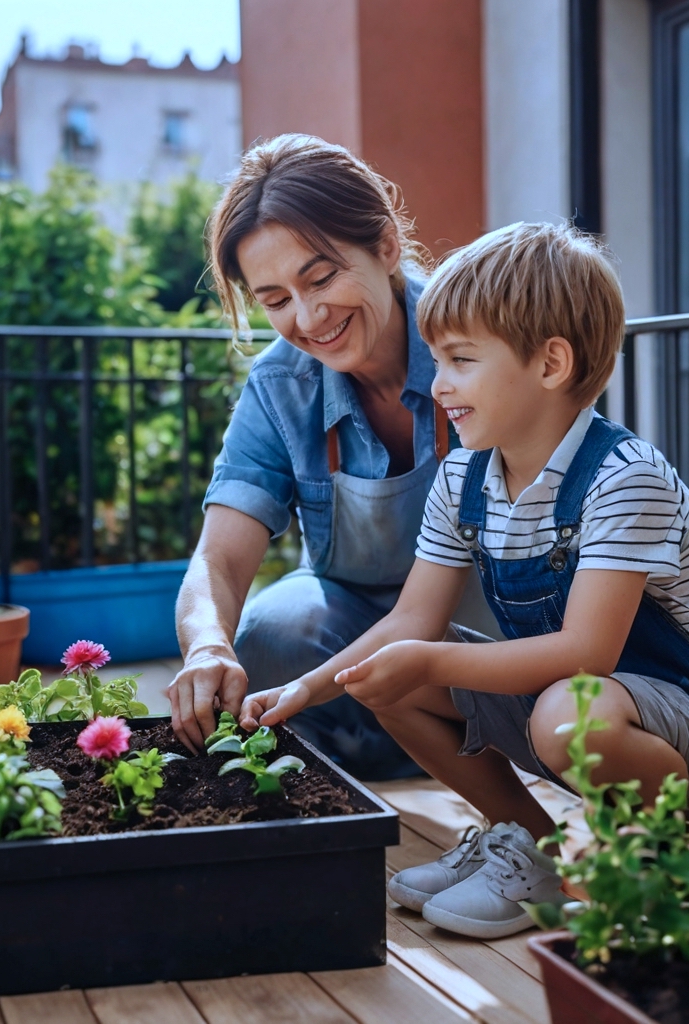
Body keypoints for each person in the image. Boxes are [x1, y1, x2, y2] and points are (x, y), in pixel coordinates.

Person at [240, 222, 689, 938]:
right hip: (575, 695)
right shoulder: (464, 478)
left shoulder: (624, 479)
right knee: (383, 671)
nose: (440, 383)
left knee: (565, 713)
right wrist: (308, 689)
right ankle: (533, 847)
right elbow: (409, 623)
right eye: (436, 359)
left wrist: (431, 658)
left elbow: (588, 654)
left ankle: (649, 852)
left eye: (460, 360)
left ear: (550, 364)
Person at [169, 134, 483, 778]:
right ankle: (373, 771)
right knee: (270, 632)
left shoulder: (482, 336)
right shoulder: (281, 387)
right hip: (357, 633)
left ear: (387, 246)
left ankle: (489, 759)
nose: (309, 318)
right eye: (277, 300)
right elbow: (220, 558)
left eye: (321, 277)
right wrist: (206, 647)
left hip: (492, 626)